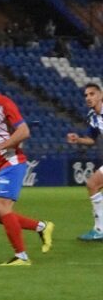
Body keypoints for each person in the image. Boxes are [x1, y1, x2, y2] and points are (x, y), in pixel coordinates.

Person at [0, 67, 54, 265]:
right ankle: (42, 226)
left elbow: (24, 131)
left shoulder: (4, 104)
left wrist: (1, 145)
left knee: (4, 209)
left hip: (12, 161)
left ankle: (21, 256)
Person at [66, 83, 103, 240]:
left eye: (92, 94)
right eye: (86, 95)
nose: (88, 97)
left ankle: (100, 230)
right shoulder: (92, 116)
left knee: (93, 184)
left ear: (101, 95)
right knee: (92, 185)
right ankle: (100, 229)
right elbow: (92, 139)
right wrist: (78, 139)